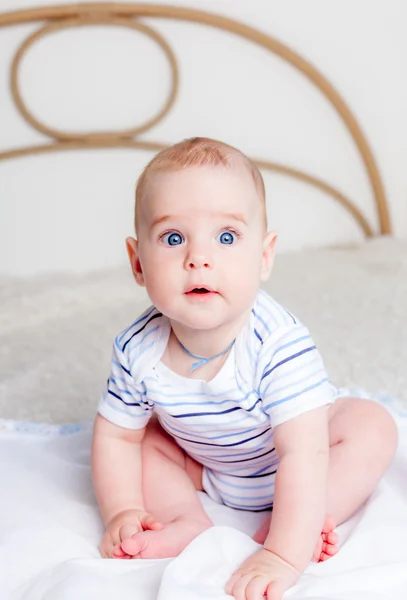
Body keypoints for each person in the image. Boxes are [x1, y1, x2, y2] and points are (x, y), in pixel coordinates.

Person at [91, 137, 398, 600]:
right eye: (173, 238)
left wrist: (283, 554)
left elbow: (305, 453)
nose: (199, 257)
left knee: (372, 426)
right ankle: (184, 520)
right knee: (146, 441)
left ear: (264, 256)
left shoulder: (277, 343)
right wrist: (123, 510)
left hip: (297, 459)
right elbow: (116, 437)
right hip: (210, 465)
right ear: (138, 262)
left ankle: (304, 519)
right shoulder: (137, 348)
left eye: (227, 236)